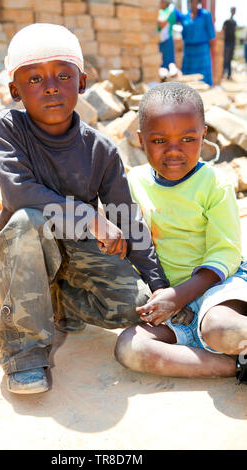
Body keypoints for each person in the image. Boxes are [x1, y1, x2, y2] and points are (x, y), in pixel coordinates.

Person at [0, 23, 170, 394]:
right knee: (26, 220)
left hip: (78, 250)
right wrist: (89, 216)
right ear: (15, 90)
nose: (51, 86)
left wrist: (159, 287)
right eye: (35, 78)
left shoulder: (100, 150)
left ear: (82, 81)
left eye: (62, 75)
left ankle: (63, 305)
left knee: (135, 308)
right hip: (28, 249)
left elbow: (126, 216)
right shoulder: (10, 128)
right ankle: (24, 353)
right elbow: (17, 193)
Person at [114, 82, 247, 384]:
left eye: (187, 139)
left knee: (221, 329)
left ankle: (231, 343)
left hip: (217, 292)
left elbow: (225, 253)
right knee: (130, 348)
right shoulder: (133, 183)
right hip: (170, 307)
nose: (174, 151)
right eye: (159, 140)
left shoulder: (214, 183)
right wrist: (169, 299)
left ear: (203, 136)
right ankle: (235, 367)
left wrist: (180, 295)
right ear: (140, 140)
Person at [178, 0, 216, 86]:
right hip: (189, 52)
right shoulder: (185, 17)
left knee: (203, 76)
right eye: (191, 1)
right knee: (188, 78)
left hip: (202, 51)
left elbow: (211, 35)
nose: (193, 3)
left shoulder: (205, 15)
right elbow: (183, 34)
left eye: (195, 1)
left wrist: (213, 50)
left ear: (198, 2)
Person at [157, 1, 181, 71]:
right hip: (161, 42)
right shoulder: (163, 11)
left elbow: (162, 23)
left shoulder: (170, 11)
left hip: (167, 42)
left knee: (168, 66)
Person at [222, 7, 236, 80]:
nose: (233, 12)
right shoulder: (226, 21)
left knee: (230, 59)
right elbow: (223, 30)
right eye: (233, 10)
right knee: (225, 59)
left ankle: (229, 75)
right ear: (231, 11)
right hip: (227, 42)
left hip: (232, 42)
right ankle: (223, 74)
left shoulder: (234, 22)